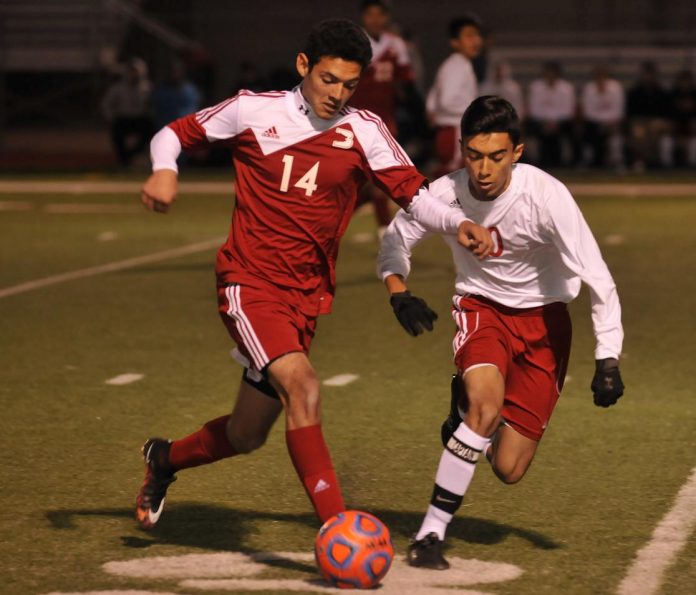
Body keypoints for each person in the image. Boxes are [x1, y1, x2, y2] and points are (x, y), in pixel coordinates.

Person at [135, 19, 492, 531]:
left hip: (305, 298)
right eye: (328, 79)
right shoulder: (252, 110)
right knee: (303, 388)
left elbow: (414, 192)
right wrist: (165, 169)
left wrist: (458, 223)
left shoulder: (363, 129)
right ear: (303, 65)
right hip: (249, 283)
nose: (337, 94)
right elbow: (173, 134)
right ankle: (336, 528)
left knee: (246, 434)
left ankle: (164, 459)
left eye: (349, 84)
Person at [377, 96, 625, 568]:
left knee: (510, 468)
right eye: (474, 155)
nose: (484, 168)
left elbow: (597, 276)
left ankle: (467, 426)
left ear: (517, 152)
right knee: (485, 408)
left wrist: (607, 356)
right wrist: (398, 290)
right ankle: (430, 534)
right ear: (462, 150)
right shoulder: (445, 193)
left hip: (547, 323)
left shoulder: (547, 196)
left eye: (496, 156)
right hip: (482, 309)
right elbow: (395, 239)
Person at [350, 0, 417, 238]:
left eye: (380, 14)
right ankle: (342, 214)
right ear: (363, 16)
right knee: (359, 178)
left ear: (386, 17)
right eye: (370, 14)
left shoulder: (395, 43)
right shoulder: (354, 42)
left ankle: (382, 229)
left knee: (379, 174)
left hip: (384, 120)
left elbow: (405, 81)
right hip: (355, 119)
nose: (375, 19)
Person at [426, 16, 484, 178]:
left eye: (477, 35)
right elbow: (446, 101)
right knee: (453, 178)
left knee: (453, 178)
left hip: (449, 130)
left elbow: (434, 97)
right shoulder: (458, 65)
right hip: (454, 131)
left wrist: (432, 110)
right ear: (455, 42)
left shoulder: (455, 64)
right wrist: (476, 111)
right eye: (469, 36)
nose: (476, 41)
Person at [101, 58, 154, 167]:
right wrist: (111, 117)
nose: (133, 74)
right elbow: (107, 104)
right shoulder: (118, 88)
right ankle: (123, 160)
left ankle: (130, 155)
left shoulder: (148, 88)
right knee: (117, 134)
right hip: (123, 118)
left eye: (136, 71)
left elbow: (153, 104)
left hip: (140, 118)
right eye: (131, 71)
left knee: (150, 132)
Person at [527, 61, 578, 167]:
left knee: (570, 128)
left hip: (561, 122)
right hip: (540, 122)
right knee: (532, 126)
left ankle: (564, 163)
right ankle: (538, 162)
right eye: (548, 73)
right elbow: (534, 108)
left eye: (552, 73)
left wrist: (554, 122)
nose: (550, 76)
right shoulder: (535, 87)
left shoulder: (566, 88)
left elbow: (568, 110)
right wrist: (545, 122)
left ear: (557, 74)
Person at [625, 61, 670, 171]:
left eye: (650, 74)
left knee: (654, 128)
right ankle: (641, 160)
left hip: (656, 121)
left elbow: (666, 112)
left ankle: (652, 160)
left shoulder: (661, 92)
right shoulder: (634, 92)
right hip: (639, 121)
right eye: (645, 74)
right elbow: (630, 113)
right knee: (638, 132)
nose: (647, 77)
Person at [580, 65, 625, 168]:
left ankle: (617, 161)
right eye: (598, 77)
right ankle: (589, 160)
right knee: (588, 130)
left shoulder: (616, 88)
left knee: (617, 133)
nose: (600, 79)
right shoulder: (589, 89)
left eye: (603, 76)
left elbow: (618, 110)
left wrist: (608, 122)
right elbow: (588, 112)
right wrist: (602, 122)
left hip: (613, 123)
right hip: (594, 123)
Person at [660, 69, 696, 168]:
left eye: (688, 81)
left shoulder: (694, 95)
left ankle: (692, 166)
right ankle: (667, 165)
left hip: (691, 132)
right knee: (666, 141)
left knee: (694, 142)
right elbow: (668, 116)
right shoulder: (672, 95)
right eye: (683, 81)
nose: (685, 83)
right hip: (674, 131)